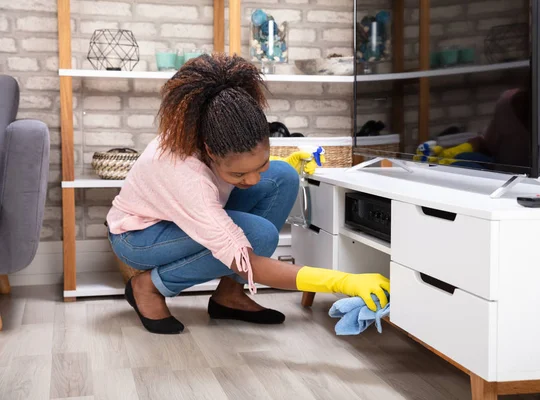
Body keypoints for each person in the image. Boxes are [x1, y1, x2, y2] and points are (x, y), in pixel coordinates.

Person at [106, 53, 390, 335]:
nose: (252, 179)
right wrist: (342, 282)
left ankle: (229, 296)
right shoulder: (186, 175)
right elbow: (248, 260)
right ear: (209, 150)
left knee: (282, 176)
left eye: (259, 164)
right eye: (239, 175)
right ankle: (149, 286)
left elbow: (257, 170)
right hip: (138, 237)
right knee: (259, 236)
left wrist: (266, 167)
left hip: (176, 218)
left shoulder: (216, 130)